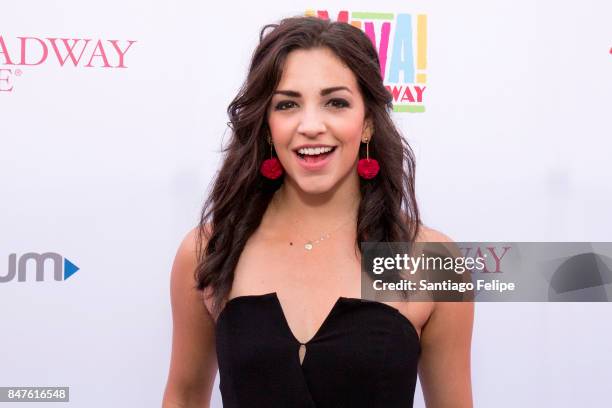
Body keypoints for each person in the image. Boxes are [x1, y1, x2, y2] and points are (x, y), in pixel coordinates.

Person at [162, 16, 473, 408]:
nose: (311, 125)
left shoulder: (430, 260)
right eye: (288, 104)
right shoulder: (209, 250)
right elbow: (185, 397)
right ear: (267, 126)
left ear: (368, 124)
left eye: (336, 103)